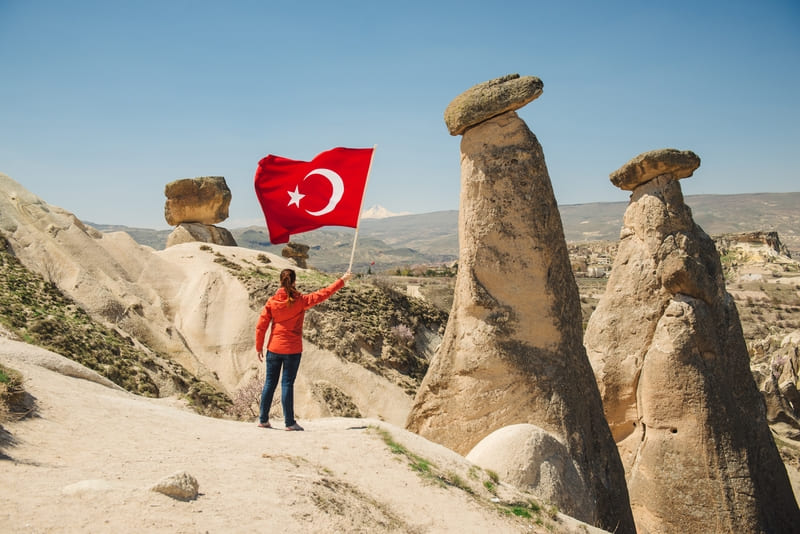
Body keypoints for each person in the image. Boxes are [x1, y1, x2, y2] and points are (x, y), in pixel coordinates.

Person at [255, 268, 353, 431]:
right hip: (292, 350)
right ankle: (289, 423)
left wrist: (259, 347)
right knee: (287, 384)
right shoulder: (300, 301)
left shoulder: (272, 302)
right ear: (294, 282)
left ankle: (263, 419)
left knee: (269, 383)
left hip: (274, 348)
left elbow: (261, 326)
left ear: (281, 282)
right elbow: (324, 293)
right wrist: (342, 280)